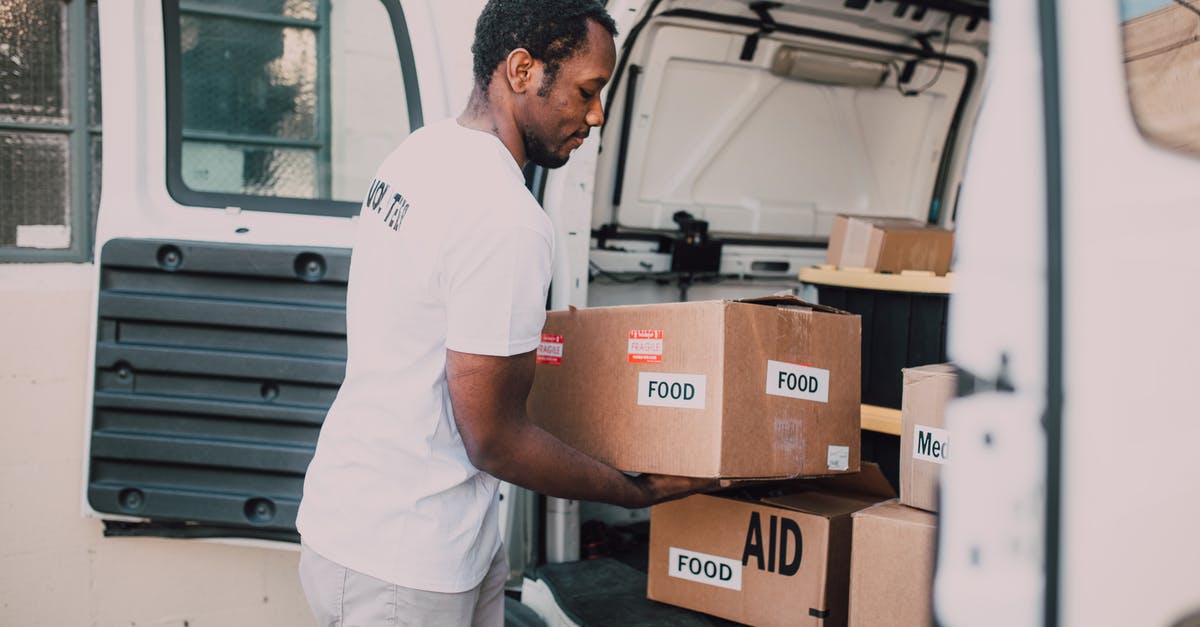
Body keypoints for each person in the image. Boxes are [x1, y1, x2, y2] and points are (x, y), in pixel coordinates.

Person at [296, 1, 720, 624]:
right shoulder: (505, 217)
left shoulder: (417, 154)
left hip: (364, 522)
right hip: (406, 563)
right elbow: (494, 439)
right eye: (587, 91)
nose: (596, 116)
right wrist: (637, 491)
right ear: (522, 70)